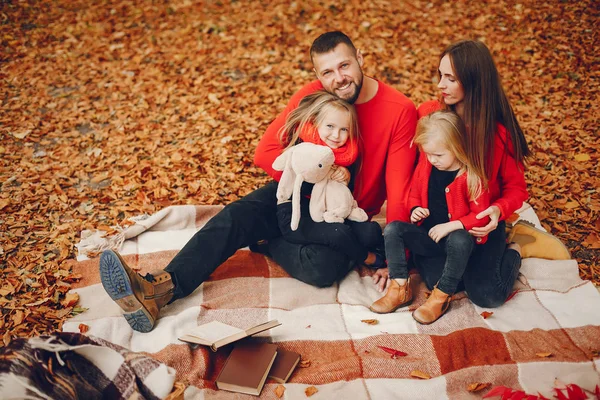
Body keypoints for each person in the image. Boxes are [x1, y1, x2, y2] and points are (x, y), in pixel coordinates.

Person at [99, 31, 417, 333]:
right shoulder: (312, 97)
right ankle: (159, 288)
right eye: (328, 72)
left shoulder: (399, 110)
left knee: (323, 269)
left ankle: (268, 240)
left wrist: (396, 261)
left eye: (345, 65)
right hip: (298, 193)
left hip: (344, 214)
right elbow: (265, 153)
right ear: (318, 75)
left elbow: (399, 188)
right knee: (237, 215)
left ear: (360, 58)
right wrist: (310, 176)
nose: (339, 78)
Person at [372, 39, 569, 308]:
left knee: (488, 295)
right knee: (438, 281)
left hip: (478, 226)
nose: (441, 85)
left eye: (451, 78)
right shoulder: (430, 114)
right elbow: (413, 176)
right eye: (440, 75)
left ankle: (515, 247)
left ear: (474, 80)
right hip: (440, 224)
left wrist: (499, 210)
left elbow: (517, 189)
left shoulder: (498, 134)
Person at [370, 110, 491, 324]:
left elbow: (481, 217)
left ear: (457, 148)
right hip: (431, 239)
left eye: (439, 155)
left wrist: (452, 225)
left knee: (459, 239)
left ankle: (441, 296)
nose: (432, 160)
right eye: (428, 154)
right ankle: (399, 287)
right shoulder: (427, 165)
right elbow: (415, 193)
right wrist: (415, 208)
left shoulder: (472, 176)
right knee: (393, 229)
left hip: (458, 246)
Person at [274, 90, 386, 269]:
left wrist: (346, 176)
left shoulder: (345, 155)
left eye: (344, 130)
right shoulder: (304, 149)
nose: (336, 136)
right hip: (298, 216)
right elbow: (299, 185)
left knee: (371, 232)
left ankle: (342, 249)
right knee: (338, 234)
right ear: (316, 124)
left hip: (330, 214)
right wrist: (326, 171)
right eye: (330, 127)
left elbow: (344, 193)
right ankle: (366, 257)